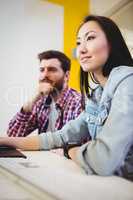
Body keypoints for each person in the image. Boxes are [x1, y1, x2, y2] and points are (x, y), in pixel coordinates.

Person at [1, 15, 133, 181]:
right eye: (78, 43)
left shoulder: (127, 81)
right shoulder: (96, 96)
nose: (81, 49)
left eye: (90, 38)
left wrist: (68, 150)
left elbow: (100, 158)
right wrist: (5, 141)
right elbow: (57, 137)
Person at [7, 50, 82, 137]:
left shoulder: (78, 103)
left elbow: (79, 143)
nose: (45, 75)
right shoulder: (40, 102)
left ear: (66, 76)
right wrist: (31, 101)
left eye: (52, 70)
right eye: (42, 70)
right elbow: (13, 135)